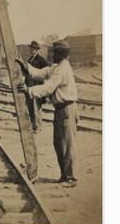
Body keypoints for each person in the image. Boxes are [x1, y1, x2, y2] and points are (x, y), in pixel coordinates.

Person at [16, 40, 79, 187]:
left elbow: (48, 87)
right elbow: (41, 73)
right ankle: (65, 175)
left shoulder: (63, 70)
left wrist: (29, 90)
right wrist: (26, 66)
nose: (51, 55)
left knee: (68, 144)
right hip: (60, 110)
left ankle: (71, 178)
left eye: (53, 53)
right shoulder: (57, 67)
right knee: (59, 144)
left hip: (67, 109)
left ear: (60, 54)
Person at [25, 40, 49, 132]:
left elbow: (46, 72)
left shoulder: (41, 59)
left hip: (37, 86)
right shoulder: (30, 59)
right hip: (30, 86)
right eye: (31, 48)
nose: (31, 50)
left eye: (33, 49)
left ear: (37, 50)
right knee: (30, 106)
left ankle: (38, 126)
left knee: (37, 107)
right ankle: (33, 125)